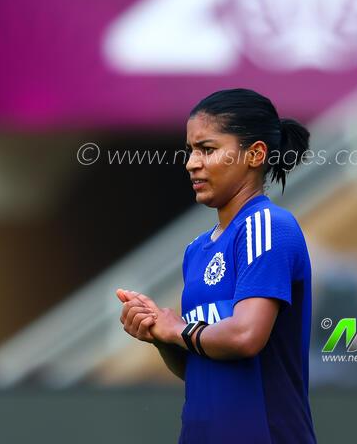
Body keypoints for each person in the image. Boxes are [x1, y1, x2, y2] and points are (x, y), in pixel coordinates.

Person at [116, 88, 317, 444]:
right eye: (190, 150)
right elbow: (200, 365)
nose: (191, 163)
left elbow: (244, 336)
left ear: (255, 154)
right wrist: (160, 336)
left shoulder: (266, 226)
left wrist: (177, 330)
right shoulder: (196, 250)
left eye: (207, 149)